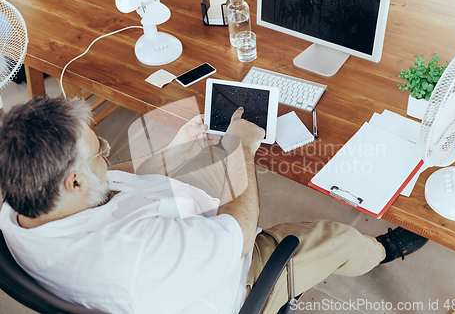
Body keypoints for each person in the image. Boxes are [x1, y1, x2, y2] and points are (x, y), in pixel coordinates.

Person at [0, 97, 428, 314]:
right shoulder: (134, 258)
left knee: (216, 160)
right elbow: (240, 235)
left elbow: (109, 179)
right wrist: (243, 148)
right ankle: (384, 252)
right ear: (73, 181)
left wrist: (177, 150)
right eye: (100, 150)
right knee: (334, 235)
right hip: (221, 278)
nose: (107, 155)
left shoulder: (22, 203)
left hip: (167, 219)